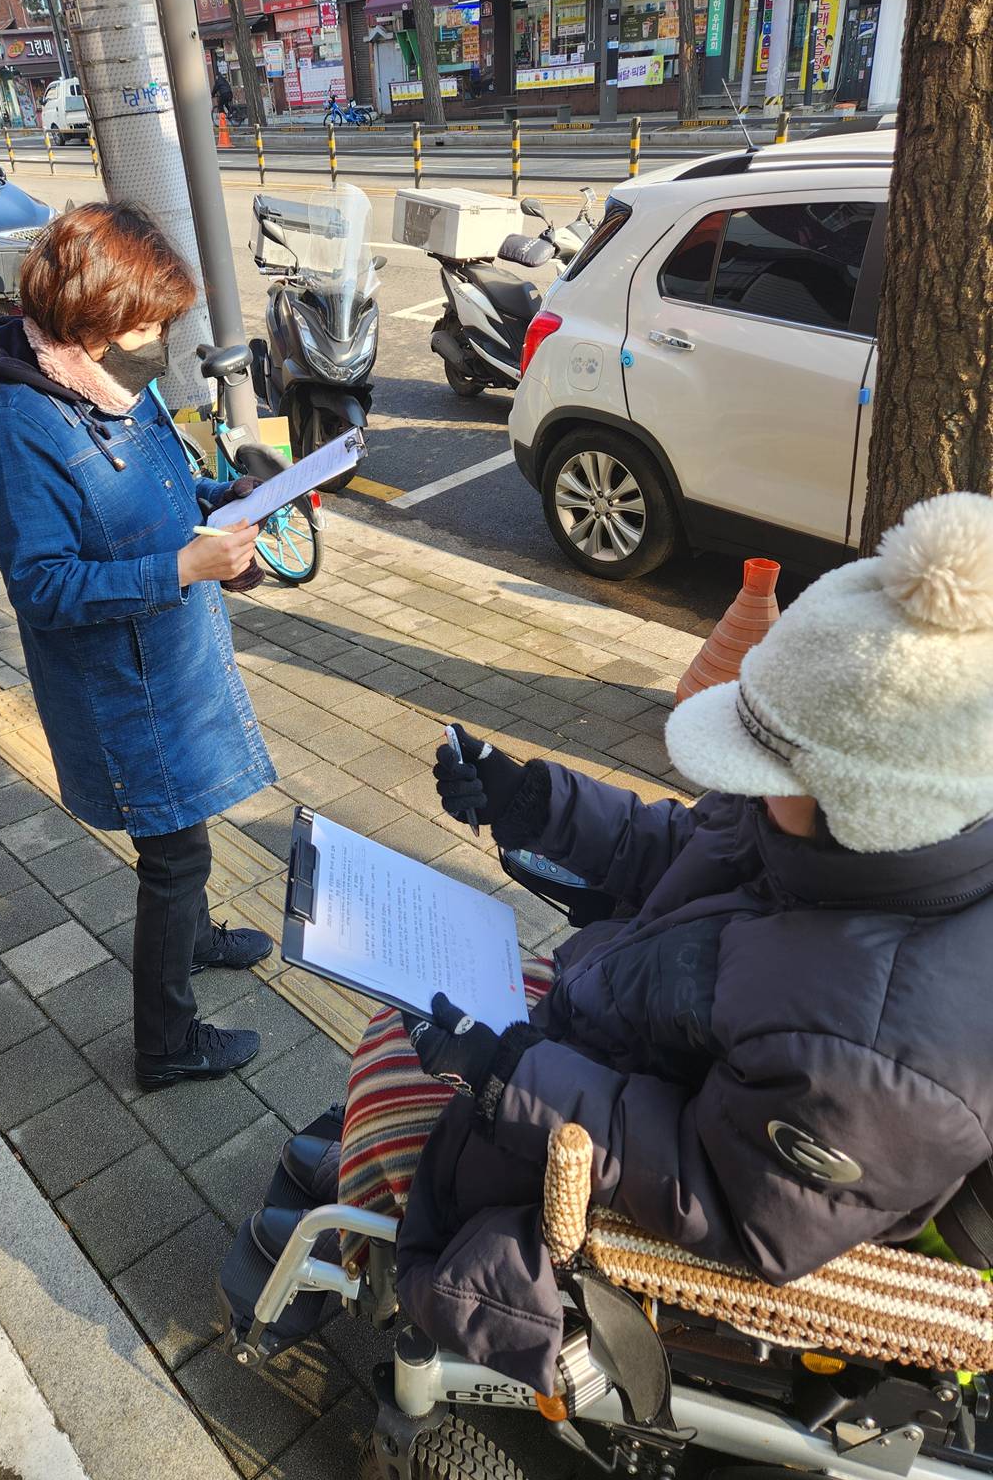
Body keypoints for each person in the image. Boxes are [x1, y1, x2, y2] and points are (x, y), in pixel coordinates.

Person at [299, 492, 993, 1392]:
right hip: (621, 1051)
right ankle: (365, 1179)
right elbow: (691, 845)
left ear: (861, 805)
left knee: (395, 1064)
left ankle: (368, 1230)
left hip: (637, 1162)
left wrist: (514, 1079)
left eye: (768, 773)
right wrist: (533, 802)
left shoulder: (877, 1057)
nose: (748, 790)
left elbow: (728, 1197)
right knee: (398, 1040)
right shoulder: (837, 837)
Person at [0, 203, 277, 1092]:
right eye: (148, 323)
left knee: (188, 836)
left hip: (171, 662)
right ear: (94, 318)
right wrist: (182, 566)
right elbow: (43, 586)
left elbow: (166, 486)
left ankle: (196, 936)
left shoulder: (109, 386)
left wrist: (230, 498)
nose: (159, 341)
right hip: (123, 689)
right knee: (174, 858)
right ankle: (166, 1045)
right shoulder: (18, 428)